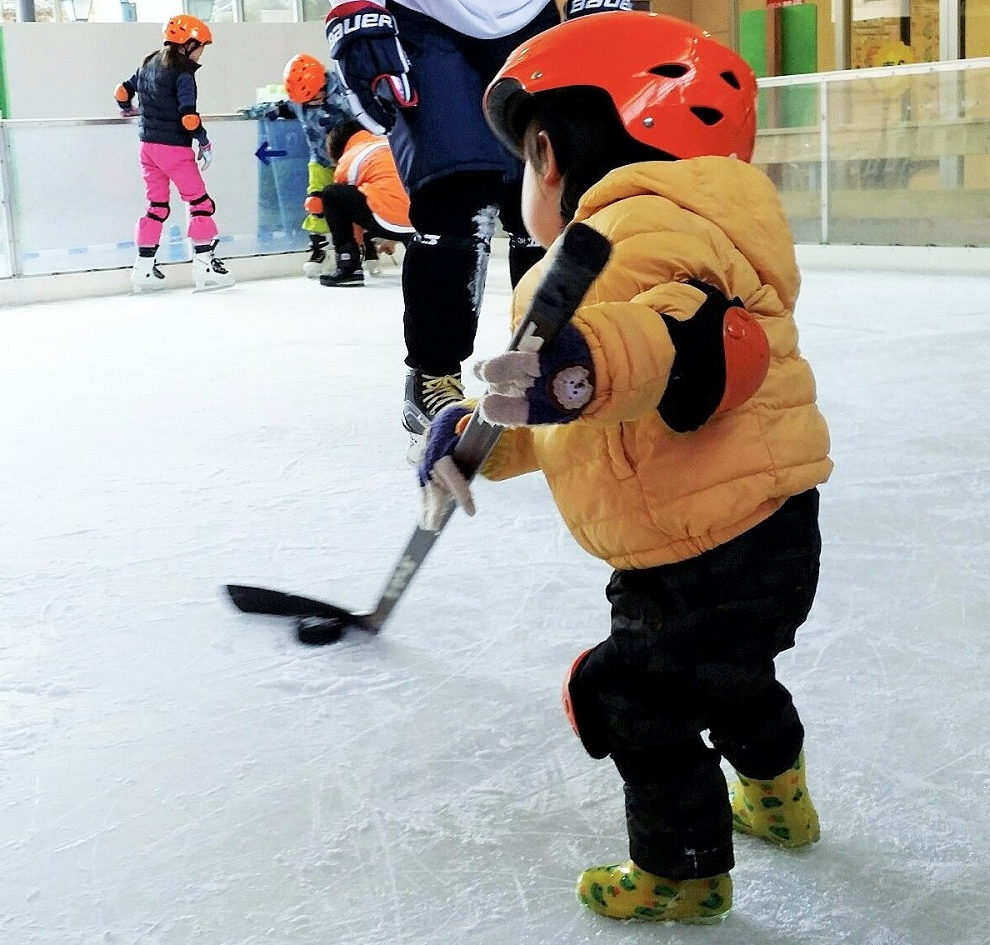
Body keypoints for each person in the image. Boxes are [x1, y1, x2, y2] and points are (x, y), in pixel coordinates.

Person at [417, 11, 833, 925]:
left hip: (700, 552)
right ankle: (780, 802)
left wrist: (580, 365)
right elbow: (581, 416)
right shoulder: (705, 226)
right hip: (753, 531)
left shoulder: (640, 234)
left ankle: (683, 870)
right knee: (734, 678)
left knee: (629, 698)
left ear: (548, 153)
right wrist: (480, 440)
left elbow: (685, 341)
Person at [324, 0, 570, 457]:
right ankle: (433, 376)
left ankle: (554, 359)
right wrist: (354, 8)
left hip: (533, 18)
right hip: (426, 19)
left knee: (546, 195)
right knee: (457, 194)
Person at [115, 14, 234, 293]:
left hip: (147, 147)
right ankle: (205, 266)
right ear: (188, 44)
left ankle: (143, 269)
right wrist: (203, 142)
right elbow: (188, 117)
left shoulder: (148, 62)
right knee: (200, 204)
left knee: (156, 206)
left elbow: (122, 91)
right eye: (201, 46)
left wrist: (127, 109)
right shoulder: (183, 74)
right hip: (174, 150)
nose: (202, 52)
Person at [243, 54, 356, 278]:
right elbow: (280, 108)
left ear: (322, 86)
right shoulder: (299, 101)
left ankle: (363, 248)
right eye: (305, 101)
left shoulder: (345, 99)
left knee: (354, 205)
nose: (309, 104)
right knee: (315, 203)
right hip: (320, 161)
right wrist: (255, 111)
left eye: (313, 98)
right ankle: (318, 249)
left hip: (349, 160)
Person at [317, 119, 414, 287]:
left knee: (332, 194)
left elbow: (349, 213)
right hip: (420, 222)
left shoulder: (349, 158)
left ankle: (348, 266)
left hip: (385, 219)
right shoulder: (391, 144)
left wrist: (357, 244)